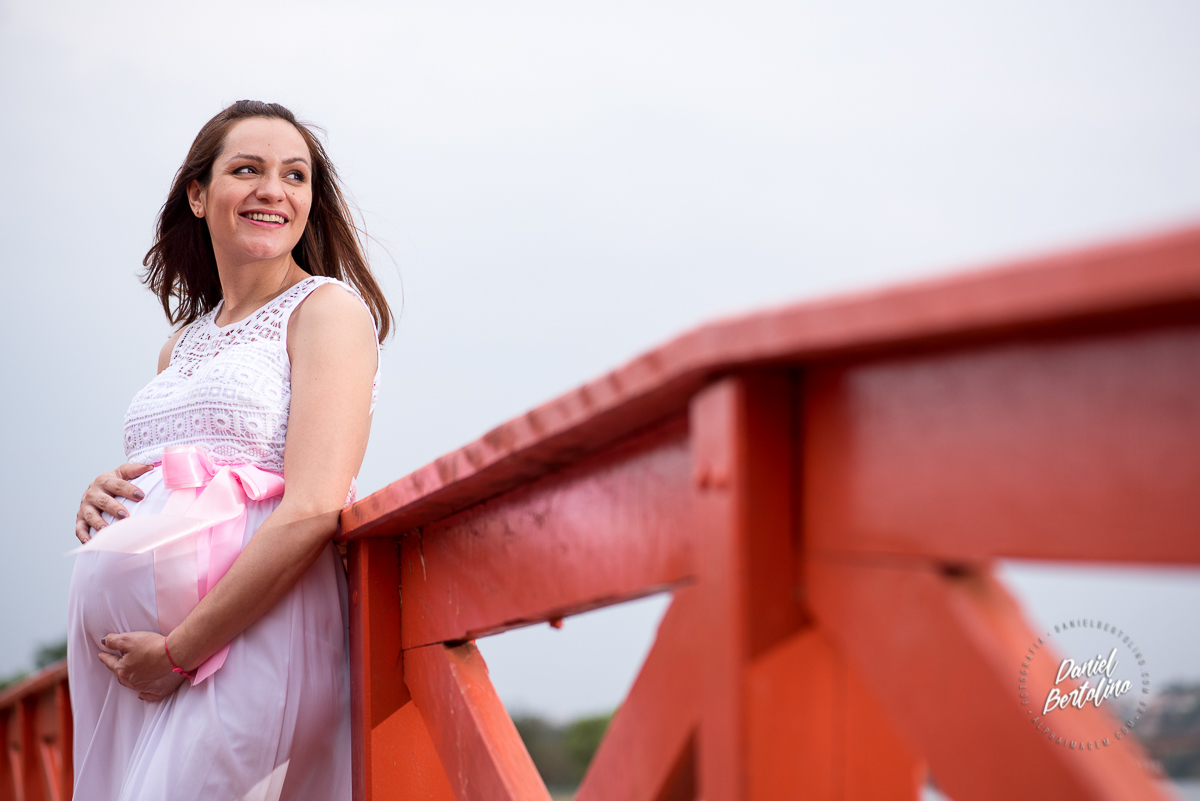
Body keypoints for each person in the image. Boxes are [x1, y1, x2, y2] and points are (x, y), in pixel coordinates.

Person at [66, 100, 392, 801]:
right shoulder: (181, 342)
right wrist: (109, 493)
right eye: (248, 169)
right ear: (198, 193)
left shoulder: (326, 312)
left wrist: (180, 654)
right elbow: (174, 481)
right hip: (139, 665)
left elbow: (310, 507)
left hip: (245, 644)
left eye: (295, 175)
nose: (274, 189)